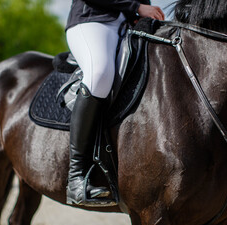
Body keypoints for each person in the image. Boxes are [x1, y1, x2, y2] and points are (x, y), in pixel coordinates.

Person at [65, 0, 165, 206]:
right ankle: (76, 177)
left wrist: (145, 13)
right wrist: (137, 7)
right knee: (100, 73)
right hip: (91, 21)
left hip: (127, 26)